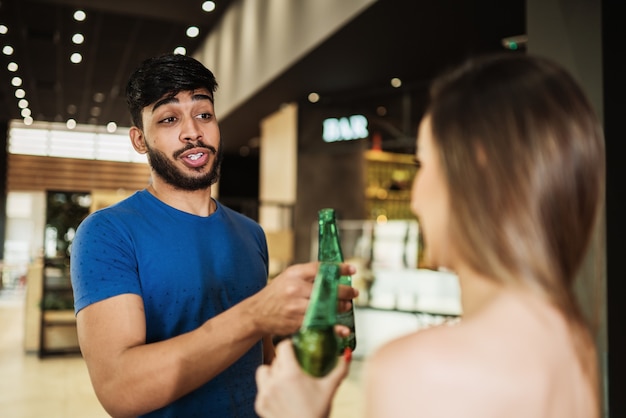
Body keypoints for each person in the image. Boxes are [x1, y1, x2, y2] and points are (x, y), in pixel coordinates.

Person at [254, 52, 605, 418]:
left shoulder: (420, 369)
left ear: (476, 173)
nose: (416, 199)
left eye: (423, 164)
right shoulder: (574, 341)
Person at [69, 53, 358, 418]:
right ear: (139, 140)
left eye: (204, 114)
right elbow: (119, 389)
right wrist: (256, 313)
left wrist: (309, 331)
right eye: (169, 118)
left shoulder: (251, 233)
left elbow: (262, 359)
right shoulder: (106, 233)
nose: (193, 131)